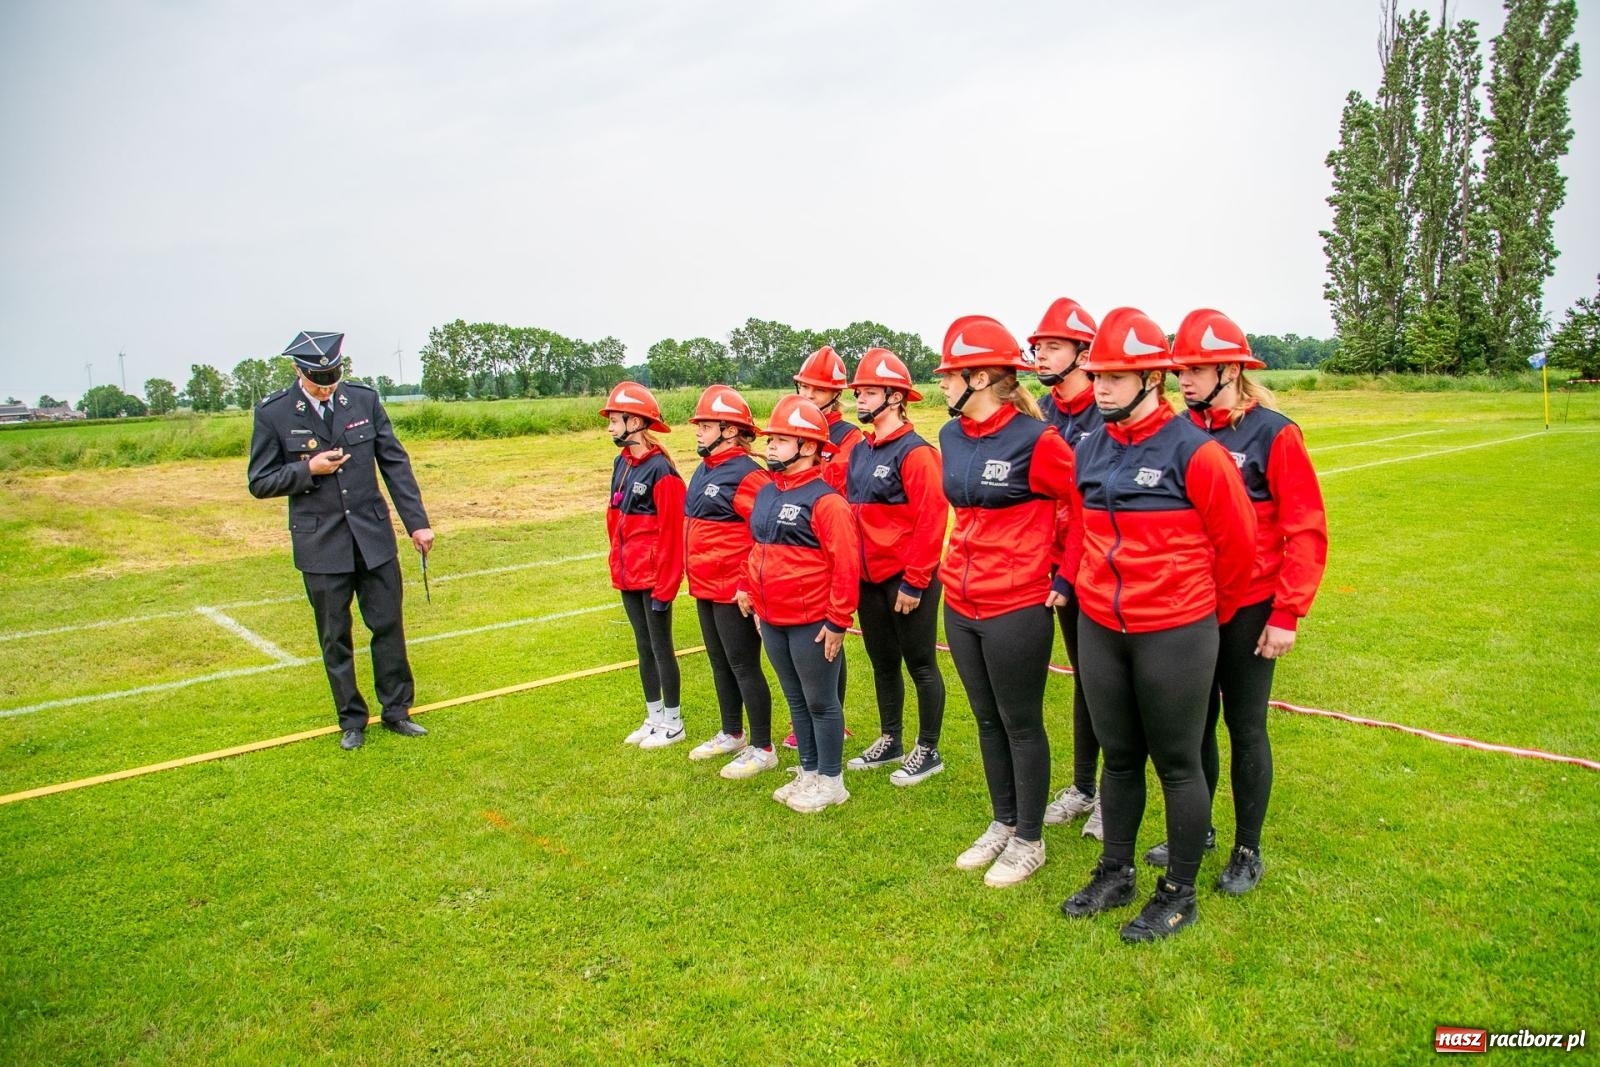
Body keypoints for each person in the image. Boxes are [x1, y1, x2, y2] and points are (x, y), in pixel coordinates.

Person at [1057, 308, 1256, 943]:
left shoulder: (1197, 453)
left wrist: (1195, 618)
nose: (1102, 387)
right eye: (1098, 375)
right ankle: (1115, 871)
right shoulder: (1088, 446)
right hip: (1102, 629)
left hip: (1175, 631)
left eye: (1117, 376)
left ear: (1154, 381)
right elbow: (1084, 533)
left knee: (1176, 762)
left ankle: (1179, 893)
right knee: (1119, 759)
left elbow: (1239, 549)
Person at [1154, 308, 1329, 894]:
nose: (1186, 378)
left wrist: (1287, 613)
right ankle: (1196, 831)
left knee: (1245, 726)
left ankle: (1247, 850)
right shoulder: (1182, 430)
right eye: (1181, 369)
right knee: (1192, 726)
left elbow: (1304, 527)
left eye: (1199, 368)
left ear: (1232, 368)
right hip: (1191, 605)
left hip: (1252, 607)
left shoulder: (1274, 432)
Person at [936, 315, 1081, 887]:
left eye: (950, 374)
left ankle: (1029, 840)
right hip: (960, 600)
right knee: (986, 719)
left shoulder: (1036, 440)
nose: (942, 383)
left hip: (1017, 603)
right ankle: (1003, 821)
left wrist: (1063, 576)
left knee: (1021, 723)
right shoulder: (949, 436)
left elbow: (1081, 507)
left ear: (982, 377)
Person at [247, 330, 434, 750]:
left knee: (388, 625)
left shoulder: (363, 400)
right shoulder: (274, 413)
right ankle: (351, 720)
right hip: (321, 545)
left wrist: (416, 523)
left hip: (373, 538)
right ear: (298, 371)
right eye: (318, 379)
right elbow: (259, 482)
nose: (327, 386)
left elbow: (394, 464)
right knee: (335, 636)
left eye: (333, 376)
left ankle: (397, 710)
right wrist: (307, 469)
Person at [740, 395, 861, 814]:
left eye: (780, 439)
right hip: (772, 618)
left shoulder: (827, 502)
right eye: (770, 439)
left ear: (808, 447)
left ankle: (832, 780)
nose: (770, 446)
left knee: (821, 702)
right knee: (796, 700)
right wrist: (756, 602)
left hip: (812, 622)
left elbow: (846, 564)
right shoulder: (769, 493)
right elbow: (758, 550)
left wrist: (837, 620)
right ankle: (809, 771)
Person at [842, 348, 950, 786]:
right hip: (869, 580)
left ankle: (928, 748)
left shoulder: (917, 452)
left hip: (907, 581)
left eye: (869, 392)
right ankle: (891, 738)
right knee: (882, 662)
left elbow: (932, 519)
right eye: (859, 392)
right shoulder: (861, 451)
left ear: (896, 397)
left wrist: (915, 580)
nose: (860, 400)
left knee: (921, 663)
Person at [1028, 298, 1109, 839]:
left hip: (1105, 570)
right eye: (1037, 346)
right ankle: (1083, 785)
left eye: (1052, 346)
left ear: (1084, 351)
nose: (1040, 354)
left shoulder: (1111, 409)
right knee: (1084, 679)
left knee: (1107, 685)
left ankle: (1111, 792)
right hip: (1057, 568)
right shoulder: (1041, 409)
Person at [682, 385, 779, 779]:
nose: (698, 431)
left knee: (743, 665)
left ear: (729, 429)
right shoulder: (705, 468)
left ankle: (763, 747)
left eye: (705, 425)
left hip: (733, 590)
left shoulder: (748, 474)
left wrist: (746, 584)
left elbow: (765, 534)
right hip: (704, 585)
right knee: (719, 662)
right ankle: (732, 732)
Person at [780, 345, 862, 750]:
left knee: (830, 631)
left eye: (817, 390)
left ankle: (834, 717)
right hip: (798, 539)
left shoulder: (849, 437)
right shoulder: (795, 429)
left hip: (829, 537)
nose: (808, 395)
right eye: (804, 387)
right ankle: (816, 718)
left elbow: (839, 487)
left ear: (835, 393)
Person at [602, 382, 687, 749]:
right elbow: (613, 518)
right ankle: (653, 718)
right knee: (642, 645)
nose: (609, 428)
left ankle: (673, 721)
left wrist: (665, 587)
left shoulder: (662, 471)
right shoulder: (621, 463)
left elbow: (673, 536)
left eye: (614, 420)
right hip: (628, 576)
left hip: (654, 579)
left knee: (660, 646)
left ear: (635, 421)